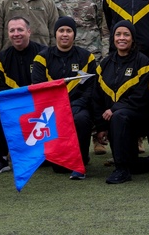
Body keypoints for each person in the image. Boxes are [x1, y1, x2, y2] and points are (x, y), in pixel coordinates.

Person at [31, 16, 100, 179]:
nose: (65, 34)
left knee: (81, 119)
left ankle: (80, 163)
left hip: (78, 107)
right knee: (59, 169)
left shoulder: (86, 57)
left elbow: (90, 88)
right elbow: (39, 88)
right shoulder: (42, 58)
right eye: (61, 30)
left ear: (74, 35)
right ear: (55, 34)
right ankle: (55, 156)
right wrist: (59, 107)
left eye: (69, 31)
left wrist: (76, 105)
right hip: (51, 108)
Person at [94, 19, 149, 184]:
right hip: (113, 119)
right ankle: (145, 162)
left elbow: (141, 95)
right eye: (118, 34)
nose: (122, 38)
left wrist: (114, 108)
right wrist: (100, 127)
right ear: (113, 38)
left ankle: (121, 170)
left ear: (133, 38)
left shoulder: (142, 61)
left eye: (126, 34)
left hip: (138, 116)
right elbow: (97, 97)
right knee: (134, 164)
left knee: (120, 116)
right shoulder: (105, 63)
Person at [0, 17, 47, 175]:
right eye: (12, 30)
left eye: (20, 29)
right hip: (15, 104)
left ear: (29, 31)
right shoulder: (2, 58)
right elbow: (0, 87)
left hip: (39, 103)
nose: (16, 34)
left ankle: (45, 152)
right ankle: (0, 159)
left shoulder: (43, 53)